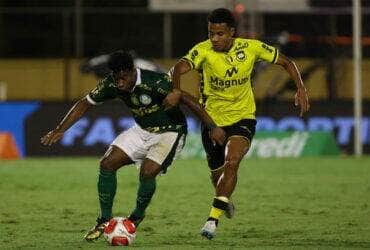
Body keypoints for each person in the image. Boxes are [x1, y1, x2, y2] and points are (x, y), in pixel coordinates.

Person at [41, 50, 226, 241]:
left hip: (170, 131)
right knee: (107, 164)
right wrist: (60, 129)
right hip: (142, 130)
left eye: (123, 78)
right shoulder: (112, 83)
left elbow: (188, 99)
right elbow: (84, 104)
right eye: (116, 78)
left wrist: (212, 126)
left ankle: (136, 216)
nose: (119, 83)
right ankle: (104, 220)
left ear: (132, 71)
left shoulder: (155, 81)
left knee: (147, 172)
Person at [163, 8, 310, 239]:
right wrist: (175, 90)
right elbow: (179, 68)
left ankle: (212, 220)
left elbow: (286, 62)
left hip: (243, 117)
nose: (214, 39)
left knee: (232, 162)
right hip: (211, 121)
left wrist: (301, 88)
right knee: (216, 176)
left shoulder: (251, 47)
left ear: (232, 32)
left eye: (220, 34)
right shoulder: (202, 51)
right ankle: (224, 200)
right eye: (211, 33)